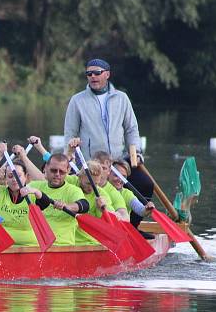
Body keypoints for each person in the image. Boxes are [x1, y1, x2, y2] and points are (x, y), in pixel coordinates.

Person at [63, 58, 155, 223]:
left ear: (107, 74)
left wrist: (137, 154)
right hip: (90, 163)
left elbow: (131, 129)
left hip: (117, 161)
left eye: (97, 73)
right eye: (89, 73)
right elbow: (70, 133)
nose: (93, 76)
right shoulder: (77, 100)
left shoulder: (122, 98)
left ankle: (134, 227)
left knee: (146, 184)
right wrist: (68, 158)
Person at [0, 159, 49, 246]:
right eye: (10, 176)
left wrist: (36, 191)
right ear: (5, 178)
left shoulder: (33, 195)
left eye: (18, 176)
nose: (14, 179)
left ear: (26, 176)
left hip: (29, 248)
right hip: (3, 246)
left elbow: (46, 202)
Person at [27, 154, 89, 246]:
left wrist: (67, 206)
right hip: (36, 246)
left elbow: (84, 205)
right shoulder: (34, 186)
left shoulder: (73, 190)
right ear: (45, 168)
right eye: (53, 170)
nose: (57, 174)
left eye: (62, 172)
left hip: (63, 246)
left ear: (68, 171)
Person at [74, 161, 115, 245]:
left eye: (95, 184)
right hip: (69, 240)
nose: (91, 188)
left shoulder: (102, 195)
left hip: (91, 243)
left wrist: (103, 210)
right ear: (80, 177)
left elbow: (111, 222)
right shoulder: (71, 181)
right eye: (88, 183)